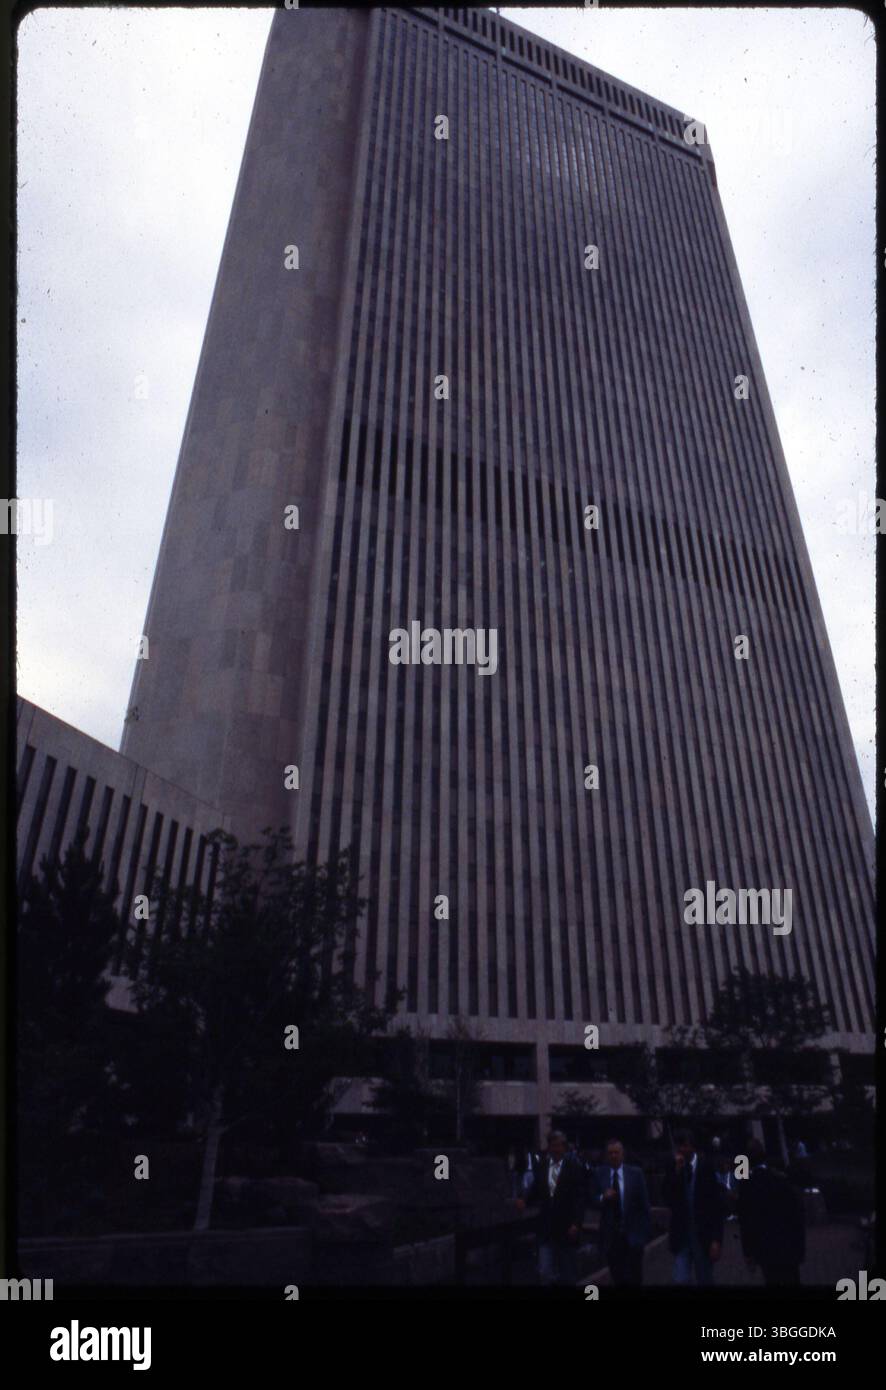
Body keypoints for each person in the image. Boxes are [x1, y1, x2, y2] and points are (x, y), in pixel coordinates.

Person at [516, 1130, 587, 1286]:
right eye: (552, 1145)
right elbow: (535, 1189)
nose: (556, 1149)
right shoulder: (541, 1166)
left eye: (559, 1146)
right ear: (548, 1147)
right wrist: (524, 1200)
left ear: (564, 1147)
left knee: (568, 1273)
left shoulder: (574, 1167)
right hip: (546, 1228)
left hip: (567, 1228)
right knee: (544, 1271)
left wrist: (576, 1223)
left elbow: (579, 1198)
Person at [737, 1139, 806, 1286]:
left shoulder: (747, 1186)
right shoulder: (780, 1179)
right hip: (788, 1246)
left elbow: (746, 1221)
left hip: (765, 1248)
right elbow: (796, 1215)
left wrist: (748, 1252)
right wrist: (800, 1248)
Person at [662, 1129, 725, 1286]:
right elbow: (667, 1198)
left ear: (693, 1147)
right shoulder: (673, 1167)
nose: (681, 1150)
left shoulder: (706, 1168)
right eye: (679, 1146)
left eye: (685, 1145)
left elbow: (716, 1206)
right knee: (680, 1279)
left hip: (702, 1236)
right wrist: (676, 1173)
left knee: (705, 1279)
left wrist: (716, 1239)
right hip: (681, 1235)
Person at [589, 1138, 652, 1285]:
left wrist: (644, 1235)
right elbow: (591, 1198)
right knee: (618, 1277)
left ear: (622, 1154)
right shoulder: (599, 1173)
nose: (613, 1156)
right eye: (610, 1153)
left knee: (635, 1277)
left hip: (633, 1236)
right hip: (612, 1237)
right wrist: (602, 1197)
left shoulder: (635, 1174)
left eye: (616, 1152)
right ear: (606, 1155)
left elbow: (644, 1205)